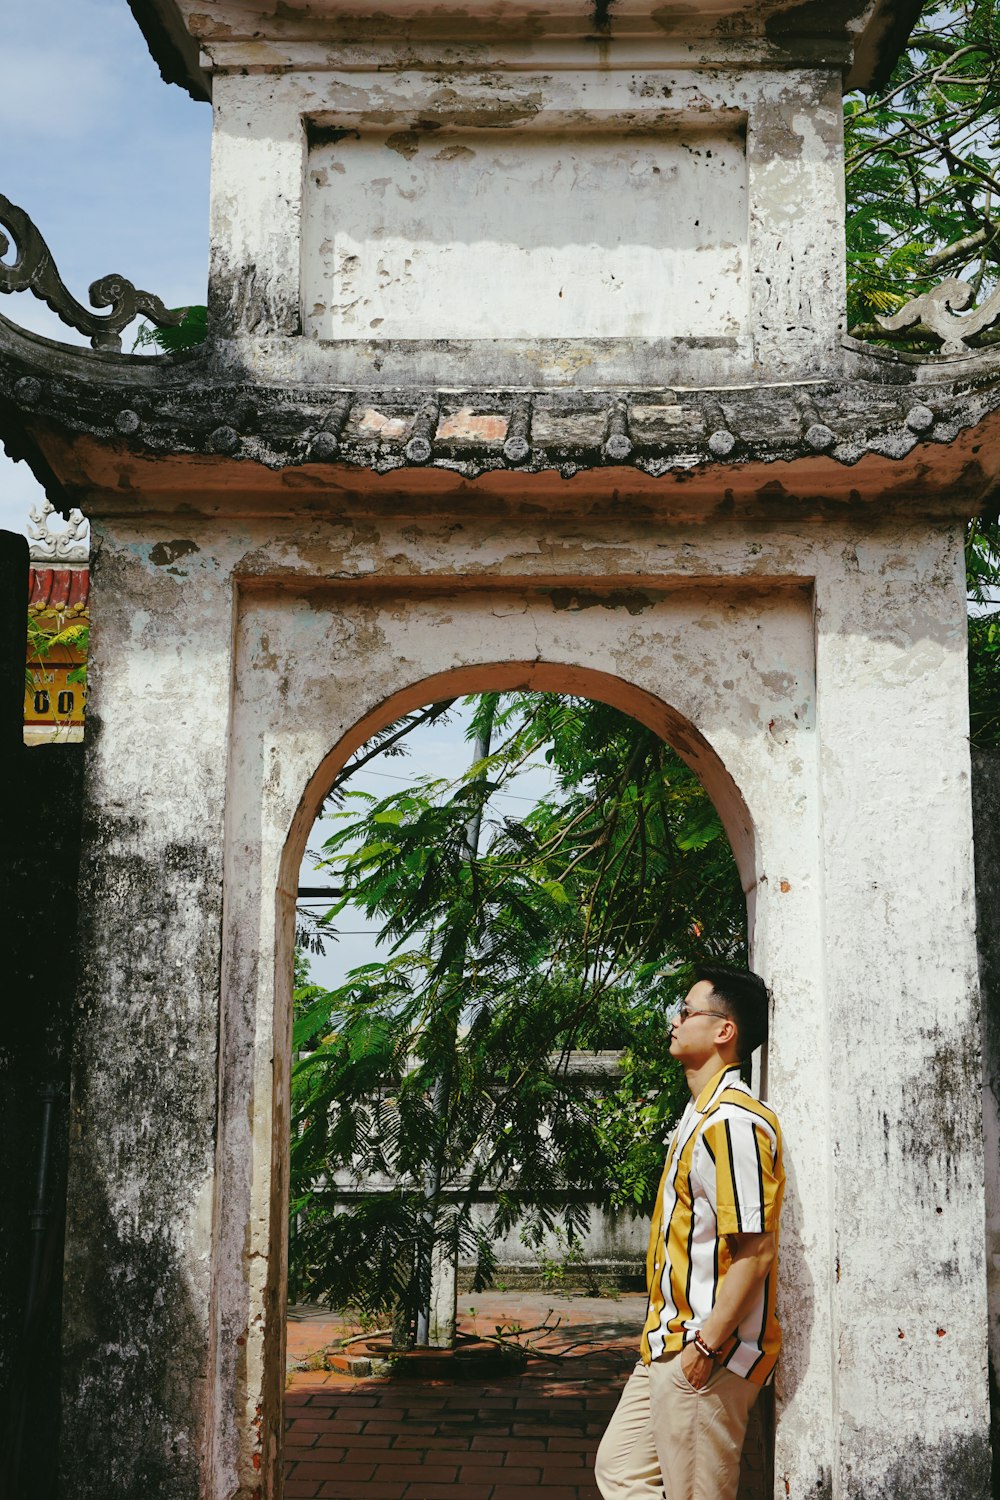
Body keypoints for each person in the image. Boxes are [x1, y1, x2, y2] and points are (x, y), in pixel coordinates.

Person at [595, 964, 784, 1500]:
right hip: (669, 1342)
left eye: (686, 1010)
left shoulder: (733, 1122)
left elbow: (756, 1247)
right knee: (621, 1472)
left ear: (725, 1031)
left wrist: (706, 1344)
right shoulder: (698, 1116)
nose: (673, 1021)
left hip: (707, 1351)